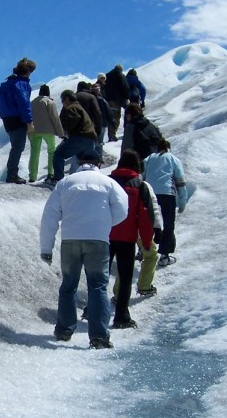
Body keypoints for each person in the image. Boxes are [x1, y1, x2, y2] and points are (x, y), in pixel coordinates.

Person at [40, 151, 128, 348]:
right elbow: (122, 210)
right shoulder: (108, 183)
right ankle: (98, 337)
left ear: (79, 162)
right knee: (97, 286)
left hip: (70, 239)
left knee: (68, 285)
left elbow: (50, 216)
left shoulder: (65, 183)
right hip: (98, 239)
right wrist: (105, 223)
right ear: (99, 163)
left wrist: (46, 248)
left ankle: (64, 329)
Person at [108, 150, 155, 329]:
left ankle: (93, 309)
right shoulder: (140, 185)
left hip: (106, 234)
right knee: (125, 277)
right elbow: (145, 215)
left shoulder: (109, 181)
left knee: (100, 276)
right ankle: (121, 316)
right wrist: (147, 240)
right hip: (127, 238)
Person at [143, 137, 188, 266]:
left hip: (150, 193)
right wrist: (182, 201)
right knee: (168, 224)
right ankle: (164, 255)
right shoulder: (173, 159)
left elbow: (142, 175)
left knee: (148, 222)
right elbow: (180, 181)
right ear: (168, 148)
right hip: (167, 193)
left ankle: (143, 250)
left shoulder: (149, 159)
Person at [0, 57, 36, 183]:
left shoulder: (6, 84)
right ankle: (12, 174)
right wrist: (29, 121)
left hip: (7, 119)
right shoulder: (22, 84)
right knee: (18, 147)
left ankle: (12, 173)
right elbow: (24, 103)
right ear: (28, 70)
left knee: (15, 146)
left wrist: (4, 116)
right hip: (18, 119)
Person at [51, 90, 99, 183]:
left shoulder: (72, 107)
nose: (63, 103)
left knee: (58, 154)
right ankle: (88, 181)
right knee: (85, 161)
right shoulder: (79, 107)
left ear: (67, 99)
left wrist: (65, 130)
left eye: (62, 100)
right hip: (90, 138)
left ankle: (58, 179)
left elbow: (73, 120)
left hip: (80, 137)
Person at [28, 83, 64, 183]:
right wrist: (60, 133)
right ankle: (50, 173)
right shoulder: (49, 102)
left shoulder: (32, 102)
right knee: (51, 151)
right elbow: (55, 118)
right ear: (48, 93)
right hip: (48, 130)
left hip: (34, 131)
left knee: (34, 152)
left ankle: (32, 176)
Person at [104, 64, 130, 141]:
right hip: (116, 101)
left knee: (110, 117)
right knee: (115, 117)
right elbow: (125, 87)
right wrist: (126, 98)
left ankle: (110, 134)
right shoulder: (121, 76)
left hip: (108, 100)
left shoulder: (107, 76)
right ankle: (112, 134)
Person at [90, 81, 114, 151]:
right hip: (102, 123)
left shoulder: (89, 99)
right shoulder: (101, 99)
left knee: (92, 141)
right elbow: (108, 111)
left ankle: (91, 157)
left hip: (91, 123)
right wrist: (111, 121)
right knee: (100, 141)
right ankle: (98, 157)